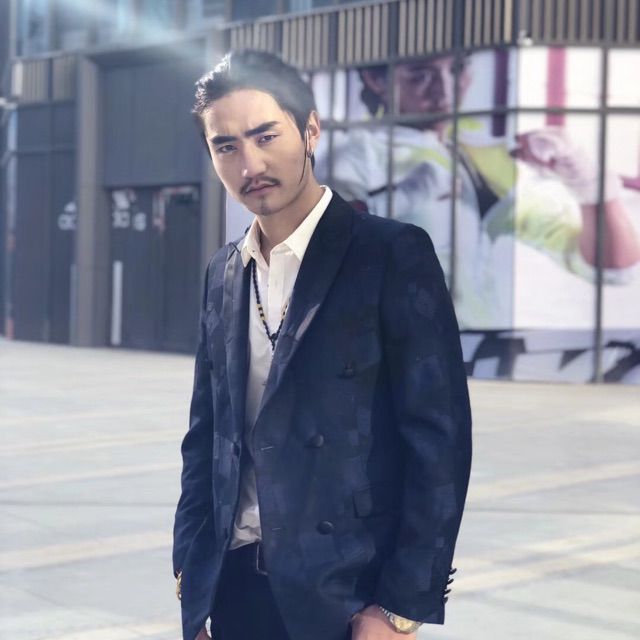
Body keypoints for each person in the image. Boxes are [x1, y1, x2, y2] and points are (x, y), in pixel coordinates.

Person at [172, 49, 472, 640]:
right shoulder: (224, 271)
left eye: (266, 136)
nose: (251, 163)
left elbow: (439, 442)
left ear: (310, 129)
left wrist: (400, 608)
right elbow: (207, 436)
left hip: (345, 596)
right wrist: (191, 574)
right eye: (226, 146)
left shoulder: (389, 253)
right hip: (233, 588)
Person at [324, 54, 640, 329]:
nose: (444, 89)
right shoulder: (355, 156)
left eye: (456, 69)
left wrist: (590, 185)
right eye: (421, 75)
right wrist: (390, 203)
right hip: (392, 357)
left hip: (478, 356)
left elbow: (614, 269)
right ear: (376, 80)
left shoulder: (483, 158)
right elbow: (319, 257)